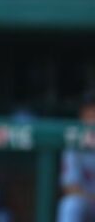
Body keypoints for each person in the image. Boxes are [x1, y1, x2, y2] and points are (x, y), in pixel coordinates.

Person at [57, 90, 95, 222]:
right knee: (70, 205)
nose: (92, 117)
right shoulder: (73, 141)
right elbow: (70, 188)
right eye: (89, 113)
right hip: (87, 202)